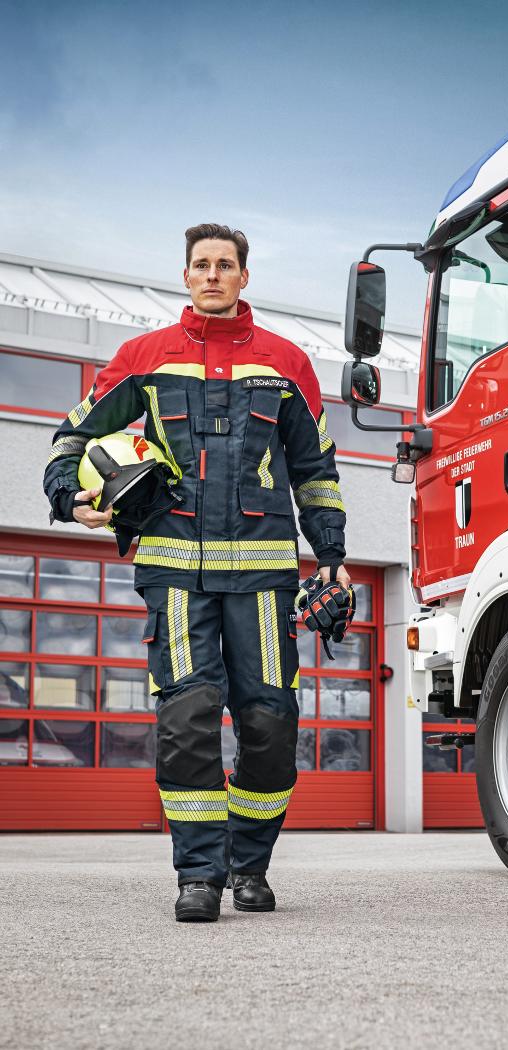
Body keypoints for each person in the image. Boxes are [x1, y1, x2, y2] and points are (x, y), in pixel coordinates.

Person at [43, 223, 350, 921]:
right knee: (187, 720)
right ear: (186, 276)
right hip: (174, 572)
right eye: (200, 265)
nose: (212, 275)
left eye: (225, 265)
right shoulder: (143, 358)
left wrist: (331, 556)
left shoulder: (286, 363)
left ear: (244, 277)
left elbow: (316, 470)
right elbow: (73, 436)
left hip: (267, 574)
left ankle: (251, 866)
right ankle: (199, 877)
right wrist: (70, 496)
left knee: (270, 725)